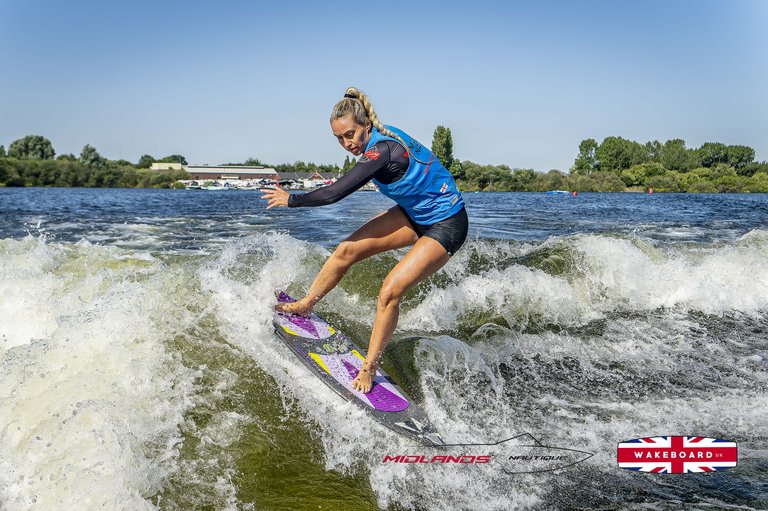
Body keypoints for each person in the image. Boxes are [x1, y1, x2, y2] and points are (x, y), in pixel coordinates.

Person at [260, 87, 468, 394]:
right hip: (414, 213)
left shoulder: (381, 150)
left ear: (366, 125)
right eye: (339, 138)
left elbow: (334, 192)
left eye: (351, 134)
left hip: (446, 223)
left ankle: (369, 367)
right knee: (346, 250)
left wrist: (292, 199)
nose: (348, 144)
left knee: (389, 291)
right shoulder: (379, 136)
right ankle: (306, 305)